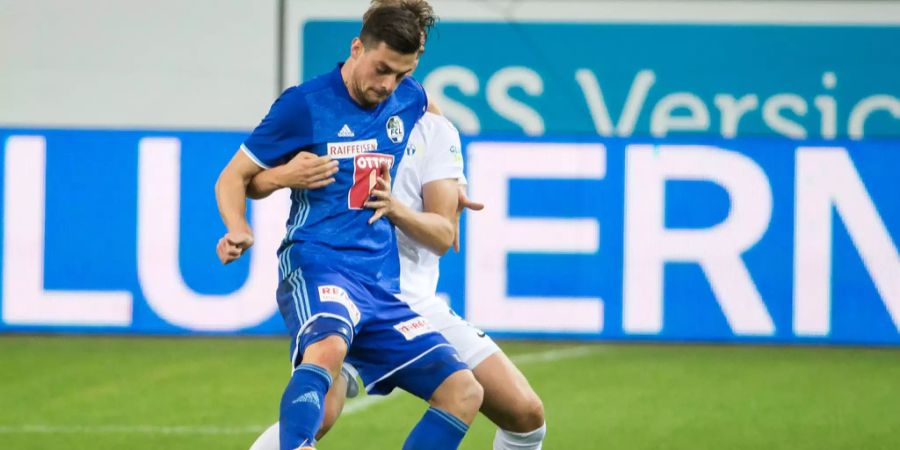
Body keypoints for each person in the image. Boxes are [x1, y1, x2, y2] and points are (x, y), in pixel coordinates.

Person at [214, 3, 482, 449]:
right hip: (318, 262)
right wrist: (240, 223)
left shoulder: (408, 96)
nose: (387, 85)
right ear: (356, 47)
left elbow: (431, 111)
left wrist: (455, 182)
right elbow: (234, 177)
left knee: (463, 391)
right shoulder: (303, 105)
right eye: (381, 69)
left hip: (380, 284)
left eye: (401, 74)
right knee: (329, 348)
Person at [248, 112, 547, 450]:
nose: (390, 79)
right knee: (320, 414)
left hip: (414, 301)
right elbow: (250, 175)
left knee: (526, 416)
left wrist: (396, 208)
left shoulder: (434, 130)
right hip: (346, 287)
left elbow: (442, 236)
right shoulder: (337, 117)